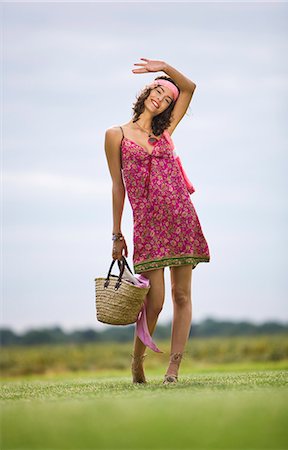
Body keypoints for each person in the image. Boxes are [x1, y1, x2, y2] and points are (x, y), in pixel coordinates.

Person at [104, 58, 210, 385]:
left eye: (168, 100)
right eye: (160, 91)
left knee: (182, 296)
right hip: (147, 225)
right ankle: (137, 363)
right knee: (155, 302)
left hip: (180, 218)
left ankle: (173, 370)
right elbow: (118, 186)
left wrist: (164, 65)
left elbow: (190, 88)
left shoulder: (165, 131)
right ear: (148, 88)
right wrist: (116, 234)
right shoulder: (115, 134)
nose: (161, 100)